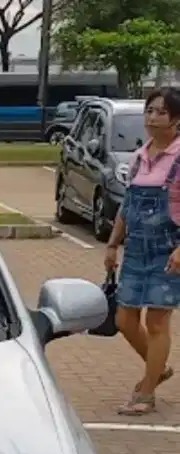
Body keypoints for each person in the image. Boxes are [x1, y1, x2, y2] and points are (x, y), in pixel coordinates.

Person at [104, 86, 180, 416]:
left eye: (161, 112)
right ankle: (157, 367)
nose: (152, 117)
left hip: (169, 250)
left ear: (176, 119)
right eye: (149, 110)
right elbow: (127, 205)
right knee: (124, 318)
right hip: (136, 248)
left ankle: (146, 394)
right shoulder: (139, 157)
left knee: (158, 321)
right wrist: (112, 243)